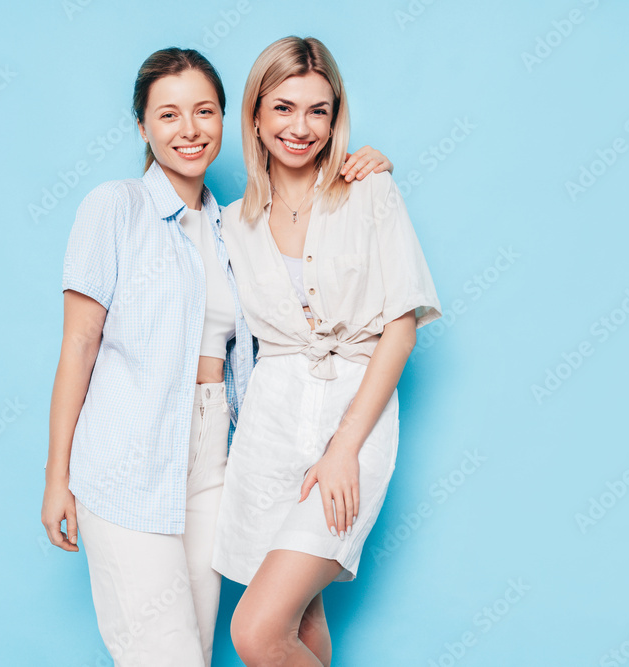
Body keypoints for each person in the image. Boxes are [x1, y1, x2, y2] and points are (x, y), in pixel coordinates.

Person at [40, 47, 392, 667]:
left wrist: (359, 166)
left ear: (230, 120)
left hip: (215, 458)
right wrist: (56, 478)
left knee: (199, 649)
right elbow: (78, 346)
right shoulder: (114, 208)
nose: (190, 130)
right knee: (163, 655)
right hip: (129, 453)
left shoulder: (234, 224)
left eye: (204, 112)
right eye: (169, 115)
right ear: (142, 125)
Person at [211, 36, 441, 666]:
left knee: (255, 631)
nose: (301, 127)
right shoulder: (230, 222)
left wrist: (343, 449)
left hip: (353, 426)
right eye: (284, 108)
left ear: (336, 117)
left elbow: (402, 328)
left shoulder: (368, 192)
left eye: (319, 110)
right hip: (269, 427)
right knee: (298, 619)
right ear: (255, 115)